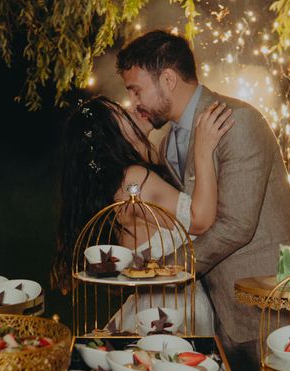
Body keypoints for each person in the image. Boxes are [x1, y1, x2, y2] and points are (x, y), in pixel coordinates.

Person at [116, 30, 290, 371]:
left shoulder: (238, 121)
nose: (133, 101)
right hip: (215, 311)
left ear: (168, 79)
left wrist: (166, 270)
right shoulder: (165, 140)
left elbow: (236, 225)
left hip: (265, 306)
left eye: (136, 89)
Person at [51, 95, 234, 336]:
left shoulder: (122, 181)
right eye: (121, 113)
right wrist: (203, 150)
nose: (133, 109)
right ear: (110, 134)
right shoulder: (133, 179)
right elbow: (199, 220)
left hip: (160, 308)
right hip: (169, 316)